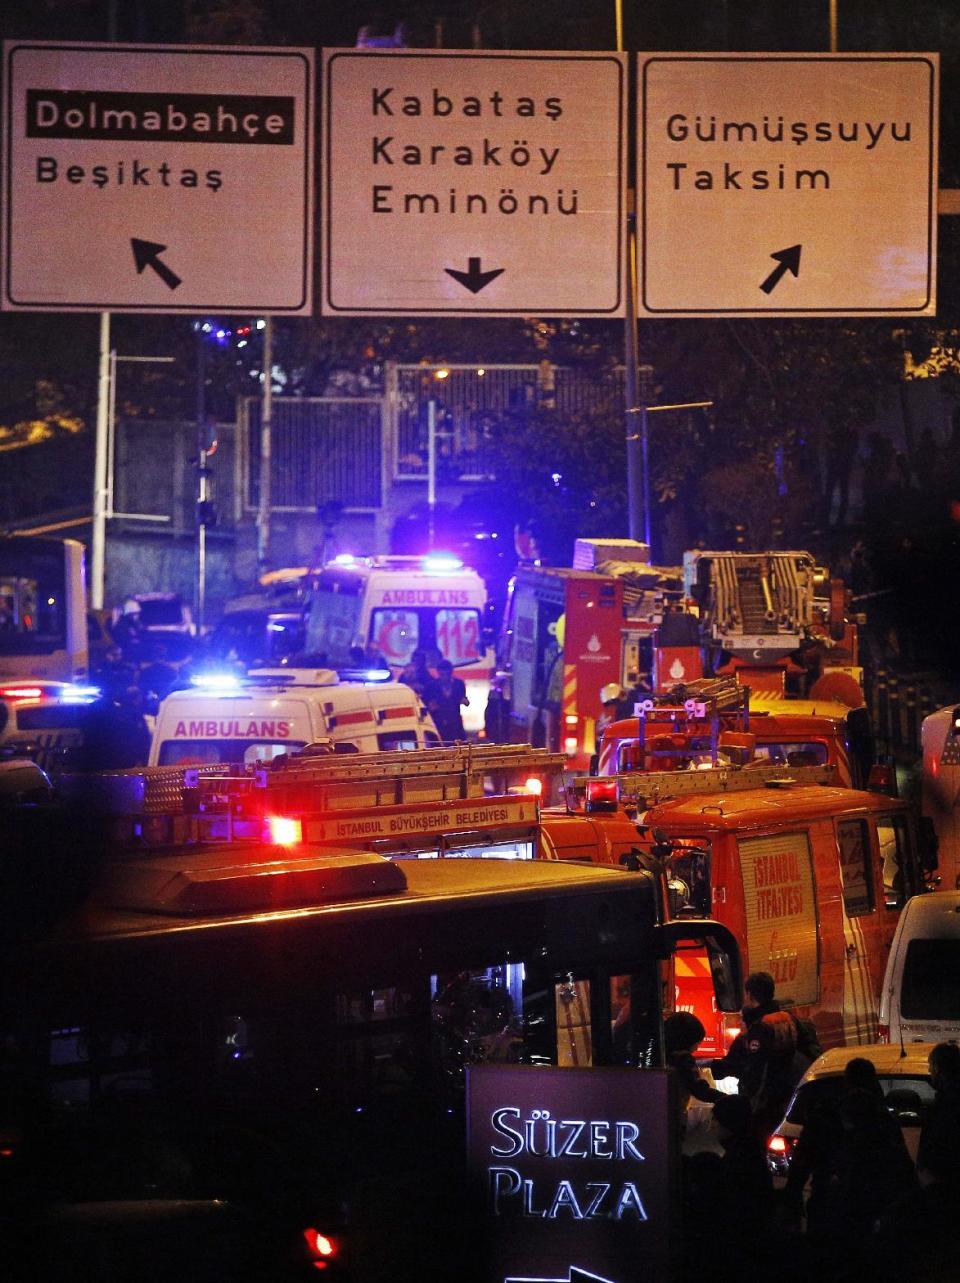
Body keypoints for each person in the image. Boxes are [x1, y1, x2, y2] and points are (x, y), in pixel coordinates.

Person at [710, 971, 812, 1135]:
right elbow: (803, 1049)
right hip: (786, 1091)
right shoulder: (787, 1018)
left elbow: (752, 1065)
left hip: (764, 1098)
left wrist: (715, 1066)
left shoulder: (760, 1026)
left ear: (749, 994)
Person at [424, 660, 469, 743]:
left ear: (451, 673)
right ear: (438, 673)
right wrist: (431, 706)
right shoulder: (431, 686)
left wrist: (464, 701)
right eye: (442, 674)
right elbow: (427, 703)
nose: (444, 677)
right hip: (439, 721)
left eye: (447, 674)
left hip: (455, 721)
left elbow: (463, 699)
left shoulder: (458, 684)